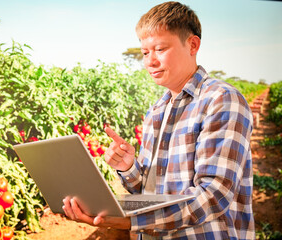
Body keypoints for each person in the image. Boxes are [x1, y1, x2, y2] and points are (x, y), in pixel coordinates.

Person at [63, 1, 255, 239]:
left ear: (193, 45)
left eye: (160, 49)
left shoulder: (221, 100)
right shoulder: (157, 110)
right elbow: (150, 192)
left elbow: (213, 196)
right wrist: (129, 167)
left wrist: (130, 220)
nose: (150, 61)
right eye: (145, 52)